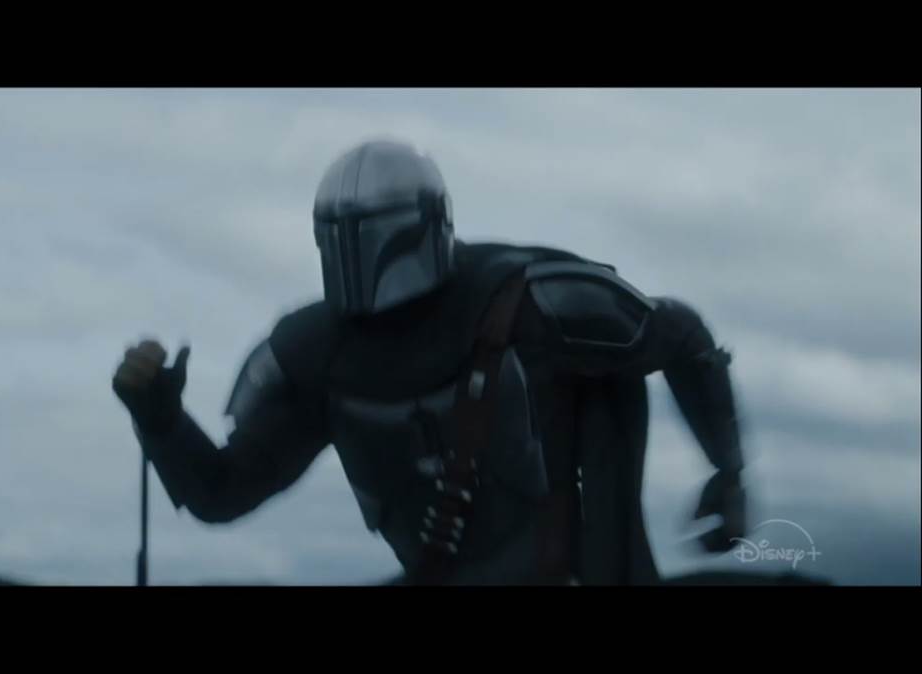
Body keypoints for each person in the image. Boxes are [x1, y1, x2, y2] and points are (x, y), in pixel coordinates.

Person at [112, 139, 747, 585]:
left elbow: (683, 338)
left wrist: (727, 469)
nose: (360, 258)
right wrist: (160, 421)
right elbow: (221, 493)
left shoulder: (539, 304)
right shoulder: (319, 355)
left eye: (372, 233)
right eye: (343, 237)